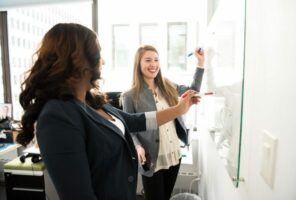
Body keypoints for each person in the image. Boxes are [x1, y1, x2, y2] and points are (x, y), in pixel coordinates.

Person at [16, 23, 199, 200]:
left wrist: (178, 109)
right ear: (76, 58)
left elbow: (134, 121)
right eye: (98, 52)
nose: (103, 60)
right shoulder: (57, 116)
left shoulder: (91, 101)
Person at [122, 45, 205, 200]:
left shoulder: (168, 86)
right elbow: (129, 129)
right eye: (148, 60)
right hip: (151, 157)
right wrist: (138, 146)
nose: (153, 64)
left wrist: (200, 63)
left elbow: (193, 90)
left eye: (156, 60)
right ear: (138, 64)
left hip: (173, 154)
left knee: (165, 196)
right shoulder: (129, 96)